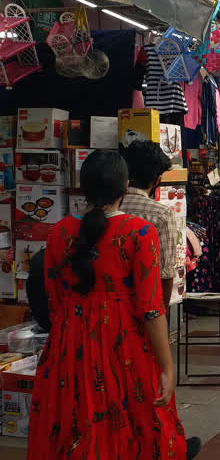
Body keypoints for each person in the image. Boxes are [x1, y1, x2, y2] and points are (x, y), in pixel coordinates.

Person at [27, 150, 200, 459]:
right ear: (124, 187)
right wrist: (166, 365)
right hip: (125, 346)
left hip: (69, 346)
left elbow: (53, 300)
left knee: (75, 427)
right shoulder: (138, 232)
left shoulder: (59, 232)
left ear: (83, 188)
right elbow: (150, 309)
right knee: (137, 428)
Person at [120, 140, 178, 309]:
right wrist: (161, 317)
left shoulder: (108, 206)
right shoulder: (162, 215)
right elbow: (165, 274)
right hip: (144, 305)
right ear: (158, 180)